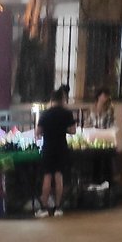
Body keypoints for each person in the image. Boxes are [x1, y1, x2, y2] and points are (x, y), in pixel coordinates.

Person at [35, 86, 76, 218]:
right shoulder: (67, 113)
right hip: (61, 148)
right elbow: (73, 131)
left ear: (52, 99)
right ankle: (58, 208)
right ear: (62, 99)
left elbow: (38, 133)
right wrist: (62, 129)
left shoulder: (45, 114)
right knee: (59, 177)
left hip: (48, 148)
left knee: (47, 177)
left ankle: (44, 208)